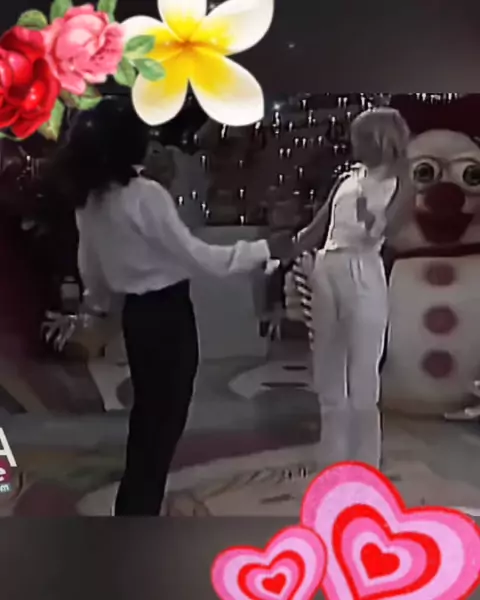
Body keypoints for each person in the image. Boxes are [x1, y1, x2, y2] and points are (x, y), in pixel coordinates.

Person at [42, 98, 293, 516]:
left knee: (149, 421)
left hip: (138, 320)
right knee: (165, 421)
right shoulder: (144, 195)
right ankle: (139, 512)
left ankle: (135, 509)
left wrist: (90, 311)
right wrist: (263, 249)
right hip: (169, 315)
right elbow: (198, 257)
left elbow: (92, 270)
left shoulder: (91, 200)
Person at [290, 107, 414, 469]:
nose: (352, 142)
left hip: (363, 268)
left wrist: (371, 219)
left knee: (362, 373)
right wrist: (281, 252)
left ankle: (365, 463)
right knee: (328, 368)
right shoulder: (347, 178)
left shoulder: (402, 180)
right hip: (327, 267)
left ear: (379, 139)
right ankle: (332, 461)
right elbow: (317, 227)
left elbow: (392, 228)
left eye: (359, 136)